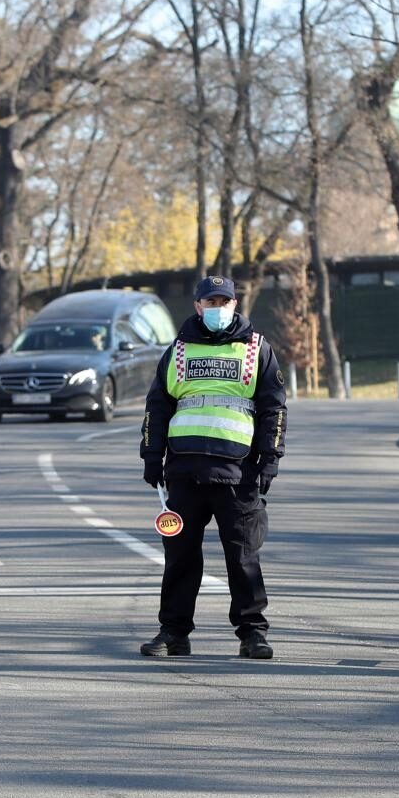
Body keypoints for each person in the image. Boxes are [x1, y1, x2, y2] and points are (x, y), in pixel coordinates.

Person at [138, 275, 286, 659]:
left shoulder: (256, 349)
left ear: (235, 304)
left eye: (225, 301)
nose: (218, 308)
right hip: (184, 474)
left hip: (238, 474)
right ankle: (173, 633)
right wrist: (152, 456)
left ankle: (252, 634)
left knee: (243, 558)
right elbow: (158, 407)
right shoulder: (178, 351)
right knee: (180, 558)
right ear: (198, 306)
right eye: (211, 301)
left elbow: (274, 409)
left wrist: (270, 459)